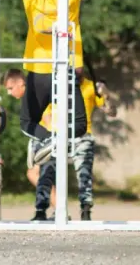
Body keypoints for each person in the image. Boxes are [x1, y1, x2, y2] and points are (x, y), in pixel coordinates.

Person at [7, 0, 97, 165]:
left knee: (27, 122)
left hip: (41, 72)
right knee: (79, 125)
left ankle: (47, 140)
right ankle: (53, 141)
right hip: (63, 71)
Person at [19, 68, 117, 221]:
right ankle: (40, 211)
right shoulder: (56, 82)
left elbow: (111, 112)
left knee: (84, 174)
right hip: (56, 134)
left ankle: (85, 211)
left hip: (81, 135)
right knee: (46, 172)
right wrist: (47, 134)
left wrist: (106, 94)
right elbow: (46, 112)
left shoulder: (91, 86)